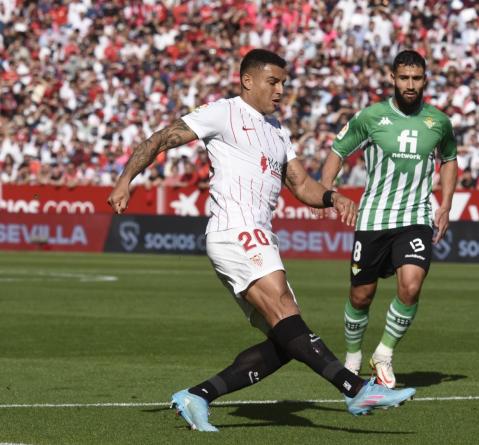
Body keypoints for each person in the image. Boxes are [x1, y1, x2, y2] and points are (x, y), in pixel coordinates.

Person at [107, 49, 415, 433]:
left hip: (258, 233)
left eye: (284, 82)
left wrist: (333, 197)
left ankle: (198, 395)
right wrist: (124, 180)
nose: (281, 90)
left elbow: (301, 184)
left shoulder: (277, 131)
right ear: (248, 81)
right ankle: (355, 389)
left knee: (288, 340)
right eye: (273, 82)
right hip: (235, 230)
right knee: (287, 315)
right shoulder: (224, 112)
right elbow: (162, 139)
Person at [317, 50, 458, 388]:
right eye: (404, 78)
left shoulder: (438, 122)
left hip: (416, 216)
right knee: (361, 296)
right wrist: (325, 191)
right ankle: (352, 358)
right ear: (392, 78)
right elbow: (338, 151)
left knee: (411, 286)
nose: (411, 85)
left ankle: (384, 354)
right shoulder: (371, 117)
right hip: (374, 218)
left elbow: (450, 159)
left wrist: (446, 204)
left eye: (417, 78)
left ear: (425, 80)